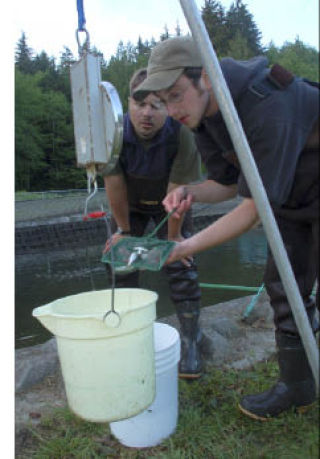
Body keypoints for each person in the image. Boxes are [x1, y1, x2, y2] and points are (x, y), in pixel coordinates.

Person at [134, 36, 319, 420]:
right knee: (285, 286)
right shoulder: (201, 117)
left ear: (205, 77)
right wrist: (190, 191)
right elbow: (231, 184)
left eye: (176, 95)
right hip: (292, 198)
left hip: (301, 189)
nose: (171, 110)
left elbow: (253, 211)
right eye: (163, 100)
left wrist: (184, 247)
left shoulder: (269, 106)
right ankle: (298, 387)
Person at [101, 67, 205, 379]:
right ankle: (128, 334)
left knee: (181, 262)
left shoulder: (182, 133)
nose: (146, 113)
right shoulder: (112, 132)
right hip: (130, 204)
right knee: (120, 260)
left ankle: (191, 341)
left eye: (155, 105)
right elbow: (114, 182)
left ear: (166, 108)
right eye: (139, 103)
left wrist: (173, 239)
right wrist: (123, 231)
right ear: (128, 103)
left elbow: (178, 190)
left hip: (169, 202)